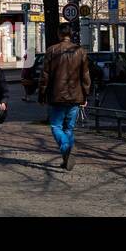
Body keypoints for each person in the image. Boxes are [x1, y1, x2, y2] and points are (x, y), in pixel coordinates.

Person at [38, 23, 91, 169]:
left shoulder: (52, 50)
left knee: (56, 126)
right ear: (71, 33)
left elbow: (45, 76)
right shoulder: (80, 51)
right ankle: (67, 158)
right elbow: (85, 76)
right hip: (75, 96)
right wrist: (85, 95)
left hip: (57, 96)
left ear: (59, 34)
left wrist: (42, 94)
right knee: (68, 128)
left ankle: (66, 148)